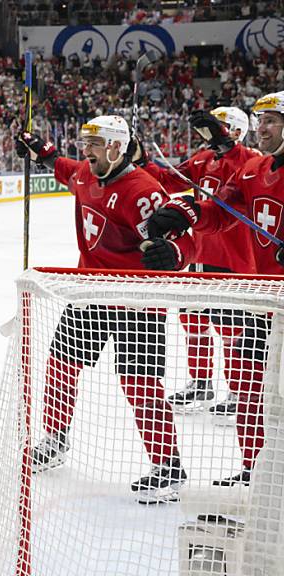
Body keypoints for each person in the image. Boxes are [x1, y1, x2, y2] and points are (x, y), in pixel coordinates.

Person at [17, 115, 194, 503]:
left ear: (116, 147)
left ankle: (168, 465)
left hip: (136, 302)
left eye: (94, 144)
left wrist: (176, 254)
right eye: (85, 143)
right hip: (90, 293)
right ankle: (56, 437)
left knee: (140, 385)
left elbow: (185, 239)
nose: (86, 151)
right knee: (61, 364)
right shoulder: (85, 174)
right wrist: (42, 153)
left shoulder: (143, 192)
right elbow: (66, 169)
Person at [144, 90, 284, 486]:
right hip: (262, 303)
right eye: (261, 120)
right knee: (248, 385)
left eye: (272, 120)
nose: (263, 128)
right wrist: (184, 212)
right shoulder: (255, 171)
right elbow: (220, 211)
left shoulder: (248, 161)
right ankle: (255, 471)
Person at [137, 106, 260, 414]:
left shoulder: (250, 159)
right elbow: (169, 179)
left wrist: (225, 145)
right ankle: (201, 382)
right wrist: (140, 160)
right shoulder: (205, 159)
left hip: (233, 257)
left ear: (233, 130)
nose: (208, 132)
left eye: (217, 127)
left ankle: (238, 390)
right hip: (200, 253)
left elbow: (245, 168)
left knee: (231, 329)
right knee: (193, 319)